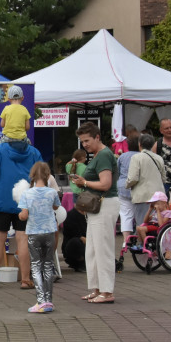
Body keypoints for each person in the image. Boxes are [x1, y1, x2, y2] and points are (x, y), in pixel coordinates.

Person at [0, 131, 42, 290]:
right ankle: (25, 280)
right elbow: (42, 177)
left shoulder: (0, 149)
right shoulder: (34, 152)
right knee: (23, 239)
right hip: (25, 201)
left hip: (2, 200)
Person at [68, 121, 118, 304]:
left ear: (98, 137)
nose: (84, 145)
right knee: (93, 249)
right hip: (97, 206)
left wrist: (84, 183)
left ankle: (107, 291)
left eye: (87, 140)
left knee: (102, 248)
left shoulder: (104, 155)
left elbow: (105, 184)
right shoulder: (98, 154)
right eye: (82, 142)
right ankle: (97, 289)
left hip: (104, 204)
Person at [18, 162, 60, 313]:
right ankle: (49, 300)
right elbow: (56, 207)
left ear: (32, 176)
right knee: (48, 265)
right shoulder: (52, 193)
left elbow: (24, 215)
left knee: (35, 265)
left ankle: (40, 300)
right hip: (50, 231)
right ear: (48, 175)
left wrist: (21, 214)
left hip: (34, 232)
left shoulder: (27, 194)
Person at [126, 134, 167, 233]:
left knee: (142, 224)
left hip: (142, 196)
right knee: (156, 225)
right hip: (159, 197)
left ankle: (143, 245)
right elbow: (164, 178)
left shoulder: (136, 157)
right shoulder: (158, 158)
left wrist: (127, 184)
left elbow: (133, 178)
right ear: (153, 144)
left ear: (139, 144)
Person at [116, 134, 140, 247]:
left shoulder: (122, 156)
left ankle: (126, 240)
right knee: (140, 214)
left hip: (123, 187)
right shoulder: (142, 156)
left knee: (125, 214)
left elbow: (117, 171)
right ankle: (140, 238)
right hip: (138, 187)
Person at [0, 85, 30, 150]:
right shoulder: (24, 109)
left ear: (9, 99)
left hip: (7, 139)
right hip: (22, 139)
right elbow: (27, 127)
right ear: (22, 98)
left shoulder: (6, 109)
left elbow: (2, 124)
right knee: (30, 148)